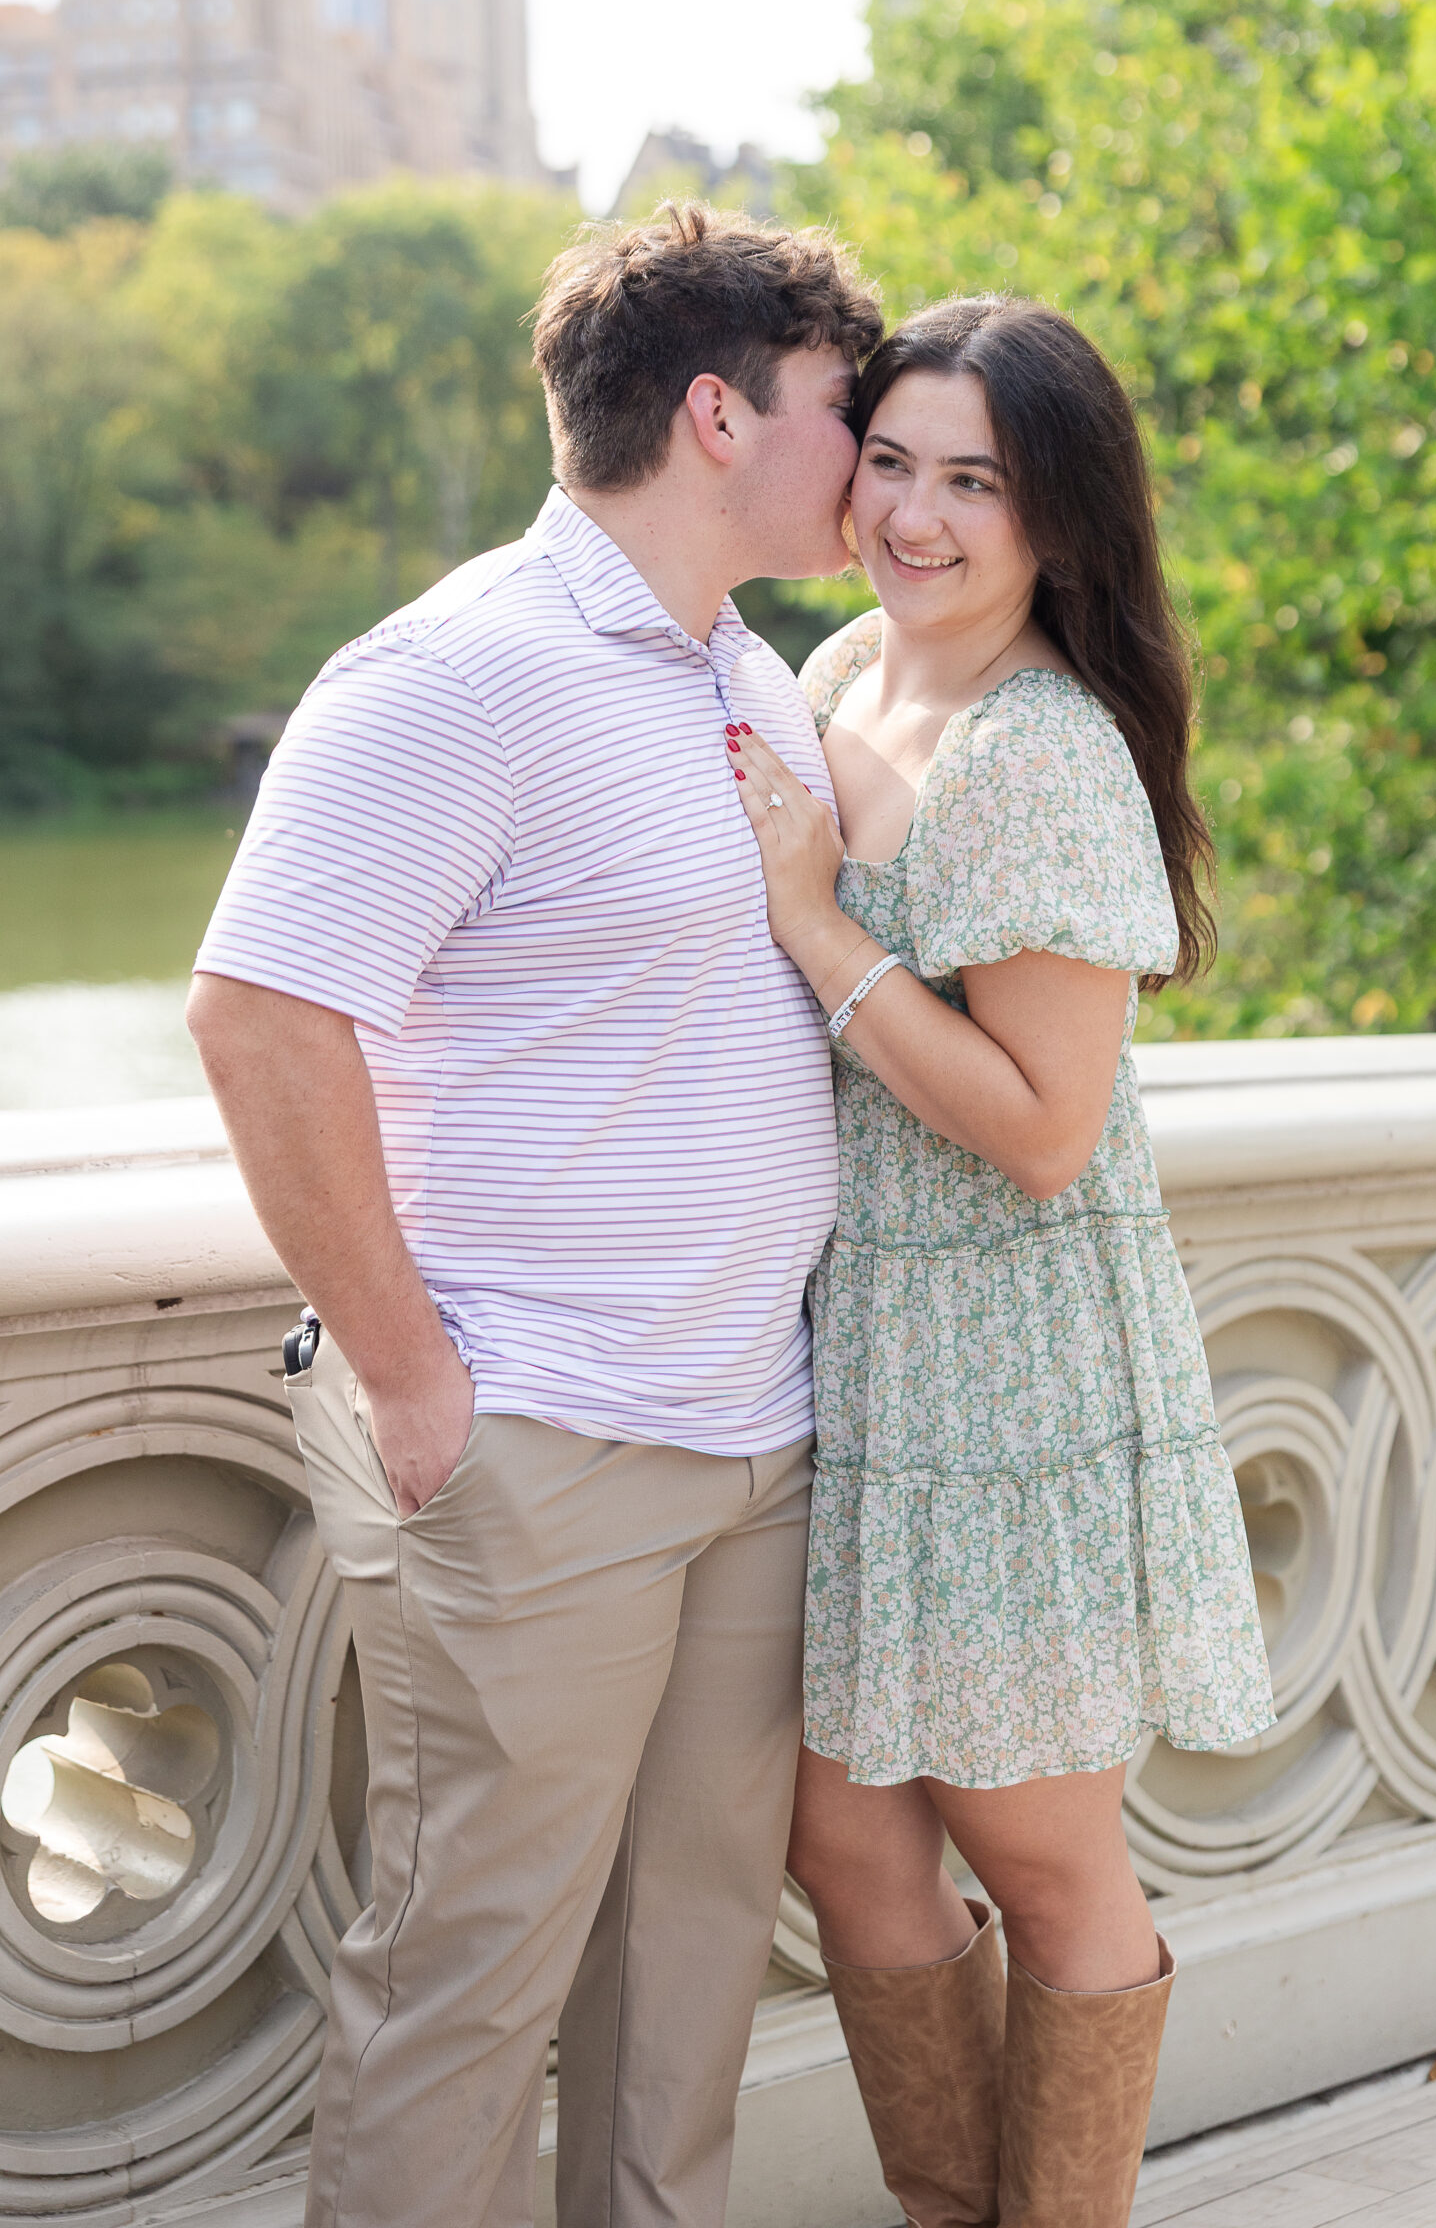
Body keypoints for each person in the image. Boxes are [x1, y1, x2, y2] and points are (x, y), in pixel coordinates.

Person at [185, 206, 883, 2228]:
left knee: (684, 1987)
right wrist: (413, 1377)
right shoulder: (455, 673)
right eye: (844, 409)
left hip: (751, 1437)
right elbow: (257, 1012)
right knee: (465, 1989)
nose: (865, 456)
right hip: (540, 1436)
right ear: (714, 411)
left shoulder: (749, 675)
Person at [726, 295, 1275, 2228]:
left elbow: (1046, 1132)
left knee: (1041, 1864)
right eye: (890, 461)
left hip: (1013, 1377)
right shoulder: (846, 666)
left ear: (1060, 517)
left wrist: (816, 924)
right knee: (849, 1847)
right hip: (861, 1351)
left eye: (977, 480)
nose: (918, 515)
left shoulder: (1037, 753)